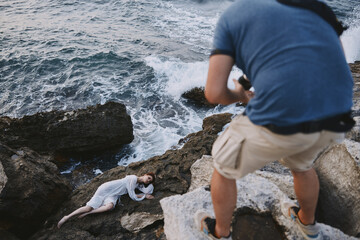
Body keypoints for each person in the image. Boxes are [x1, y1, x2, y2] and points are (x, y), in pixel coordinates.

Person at [194, 0, 354, 239]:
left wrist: (240, 95)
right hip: (336, 112)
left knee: (223, 166)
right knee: (302, 165)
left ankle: (220, 232)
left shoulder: (234, 16)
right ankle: (308, 226)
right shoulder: (318, 8)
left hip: (284, 113)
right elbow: (332, 62)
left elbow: (214, 93)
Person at [57, 172, 155, 228]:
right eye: (149, 178)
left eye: (150, 180)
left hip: (114, 194)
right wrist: (144, 196)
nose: (148, 180)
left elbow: (144, 190)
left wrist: (146, 192)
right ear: (145, 174)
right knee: (87, 208)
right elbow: (132, 196)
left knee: (109, 207)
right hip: (107, 188)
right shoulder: (133, 178)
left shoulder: (137, 184)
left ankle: (89, 213)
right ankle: (67, 217)